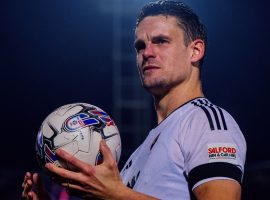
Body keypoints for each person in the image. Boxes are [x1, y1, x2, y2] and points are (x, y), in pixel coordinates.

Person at [22, 1, 246, 199]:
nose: (146, 53)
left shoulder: (205, 122)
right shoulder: (139, 154)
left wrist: (117, 195)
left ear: (195, 50)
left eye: (161, 41)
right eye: (140, 46)